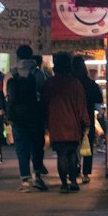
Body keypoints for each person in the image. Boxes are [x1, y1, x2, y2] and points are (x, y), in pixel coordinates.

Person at [42, 53, 89, 193]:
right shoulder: (75, 83)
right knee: (72, 153)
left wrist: (45, 124)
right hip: (72, 124)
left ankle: (64, 184)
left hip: (56, 124)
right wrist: (86, 123)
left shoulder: (49, 83)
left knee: (61, 154)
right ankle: (74, 181)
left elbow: (44, 104)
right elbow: (82, 105)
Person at [6, 44, 47, 192]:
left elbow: (7, 96)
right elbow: (43, 95)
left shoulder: (11, 74)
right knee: (37, 146)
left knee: (21, 149)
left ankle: (25, 181)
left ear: (17, 56)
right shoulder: (37, 74)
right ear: (31, 56)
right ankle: (37, 176)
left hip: (17, 118)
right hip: (35, 116)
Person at [71, 55, 104, 184]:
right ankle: (86, 174)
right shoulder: (90, 84)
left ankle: (75, 169)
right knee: (87, 147)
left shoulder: (71, 83)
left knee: (73, 146)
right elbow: (98, 101)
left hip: (72, 117)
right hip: (88, 118)